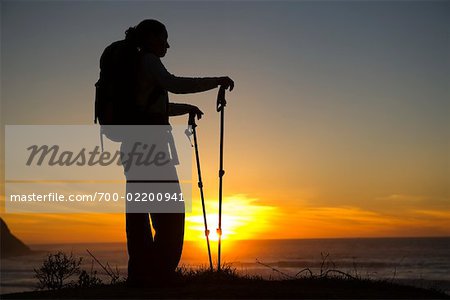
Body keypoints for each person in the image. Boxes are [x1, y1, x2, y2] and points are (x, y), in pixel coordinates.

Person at [117, 19, 234, 286]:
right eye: (163, 38)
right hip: (150, 147)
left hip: (134, 146)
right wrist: (216, 81)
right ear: (149, 38)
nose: (167, 44)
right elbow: (174, 83)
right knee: (170, 211)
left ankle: (142, 273)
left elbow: (154, 108)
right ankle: (159, 273)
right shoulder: (148, 61)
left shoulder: (135, 65)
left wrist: (187, 108)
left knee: (142, 211)